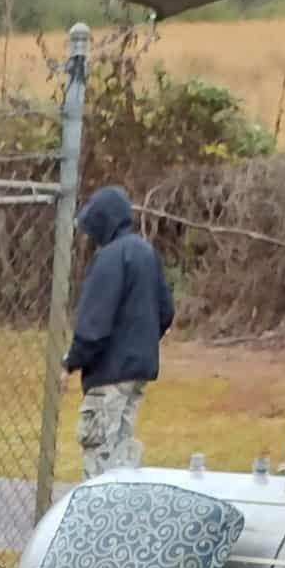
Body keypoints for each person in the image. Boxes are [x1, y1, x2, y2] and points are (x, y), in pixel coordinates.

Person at [63, 185, 174, 477]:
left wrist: (71, 362)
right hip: (138, 372)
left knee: (99, 451)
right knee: (123, 453)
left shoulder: (110, 258)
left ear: (103, 223)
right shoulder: (146, 253)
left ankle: (99, 518)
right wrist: (140, 341)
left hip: (109, 375)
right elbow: (165, 311)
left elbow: (93, 326)